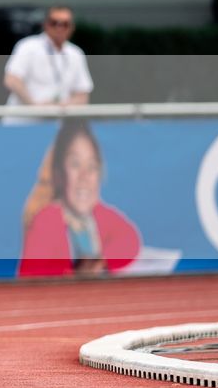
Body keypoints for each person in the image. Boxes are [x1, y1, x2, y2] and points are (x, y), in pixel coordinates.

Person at [17, 119, 140, 277]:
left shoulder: (100, 214)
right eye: (75, 164)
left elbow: (130, 238)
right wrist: (77, 273)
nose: (84, 176)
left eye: (92, 167)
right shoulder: (46, 221)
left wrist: (101, 261)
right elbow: (30, 274)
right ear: (59, 174)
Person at [3, 6, 92, 124]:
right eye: (54, 23)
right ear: (46, 25)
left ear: (72, 27)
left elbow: (83, 95)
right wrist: (34, 106)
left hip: (56, 127)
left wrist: (62, 107)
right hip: (22, 123)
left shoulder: (75, 53)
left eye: (65, 24)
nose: (59, 28)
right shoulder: (28, 46)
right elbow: (12, 80)